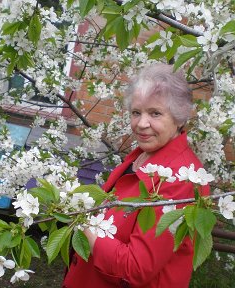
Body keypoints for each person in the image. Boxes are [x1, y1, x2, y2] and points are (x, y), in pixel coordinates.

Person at [62, 63, 210, 288]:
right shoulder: (140, 156)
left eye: (155, 113)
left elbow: (135, 269)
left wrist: (83, 223)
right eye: (136, 112)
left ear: (180, 118)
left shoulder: (182, 179)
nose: (141, 124)